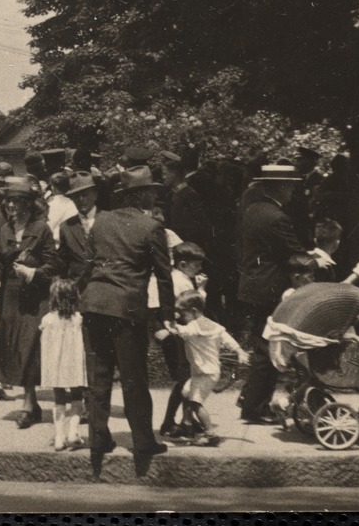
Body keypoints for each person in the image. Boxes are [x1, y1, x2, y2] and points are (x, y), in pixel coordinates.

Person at [81, 166, 174, 475]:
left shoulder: (102, 220)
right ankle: (143, 443)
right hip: (127, 309)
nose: (154, 195)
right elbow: (164, 277)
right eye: (151, 191)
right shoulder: (152, 227)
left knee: (99, 377)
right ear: (142, 194)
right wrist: (166, 317)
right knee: (134, 379)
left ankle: (98, 439)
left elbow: (89, 262)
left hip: (95, 304)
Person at [236, 164, 310, 424]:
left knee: (261, 343)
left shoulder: (253, 209)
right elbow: (293, 252)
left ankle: (249, 398)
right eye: (290, 186)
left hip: (253, 285)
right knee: (268, 347)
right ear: (280, 187)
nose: (292, 191)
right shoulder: (278, 217)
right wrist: (315, 258)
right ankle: (254, 407)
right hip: (270, 288)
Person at [0, 177, 59, 428]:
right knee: (15, 347)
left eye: (16, 201)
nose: (11, 206)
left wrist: (34, 273)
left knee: (30, 347)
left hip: (35, 296)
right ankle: (32, 403)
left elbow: (54, 265)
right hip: (11, 297)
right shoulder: (5, 229)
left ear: (28, 204)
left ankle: (28, 405)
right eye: (8, 201)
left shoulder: (42, 229)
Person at [173, 290, 249, 447]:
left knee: (195, 402)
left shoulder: (193, 327)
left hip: (205, 374)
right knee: (186, 393)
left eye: (182, 313)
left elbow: (180, 331)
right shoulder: (214, 326)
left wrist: (168, 325)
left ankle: (210, 434)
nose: (180, 316)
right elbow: (228, 339)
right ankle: (187, 424)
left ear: (193, 311)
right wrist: (239, 351)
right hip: (204, 371)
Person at [153, 242, 207, 438]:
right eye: (196, 265)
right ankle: (172, 422)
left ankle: (185, 419)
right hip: (179, 335)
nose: (199, 269)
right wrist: (201, 289)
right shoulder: (182, 282)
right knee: (185, 380)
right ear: (183, 264)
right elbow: (195, 307)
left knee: (186, 379)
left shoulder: (177, 278)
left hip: (179, 333)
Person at [40, 278, 87, 451]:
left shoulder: (48, 320)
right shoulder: (79, 320)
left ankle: (59, 436)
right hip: (74, 362)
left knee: (58, 396)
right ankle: (73, 432)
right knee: (77, 395)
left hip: (56, 364)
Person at [57, 171, 99, 290]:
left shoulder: (108, 220)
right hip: (77, 291)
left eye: (85, 194)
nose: (81, 199)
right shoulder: (66, 226)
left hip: (104, 290)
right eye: (76, 196)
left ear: (95, 195)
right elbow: (62, 263)